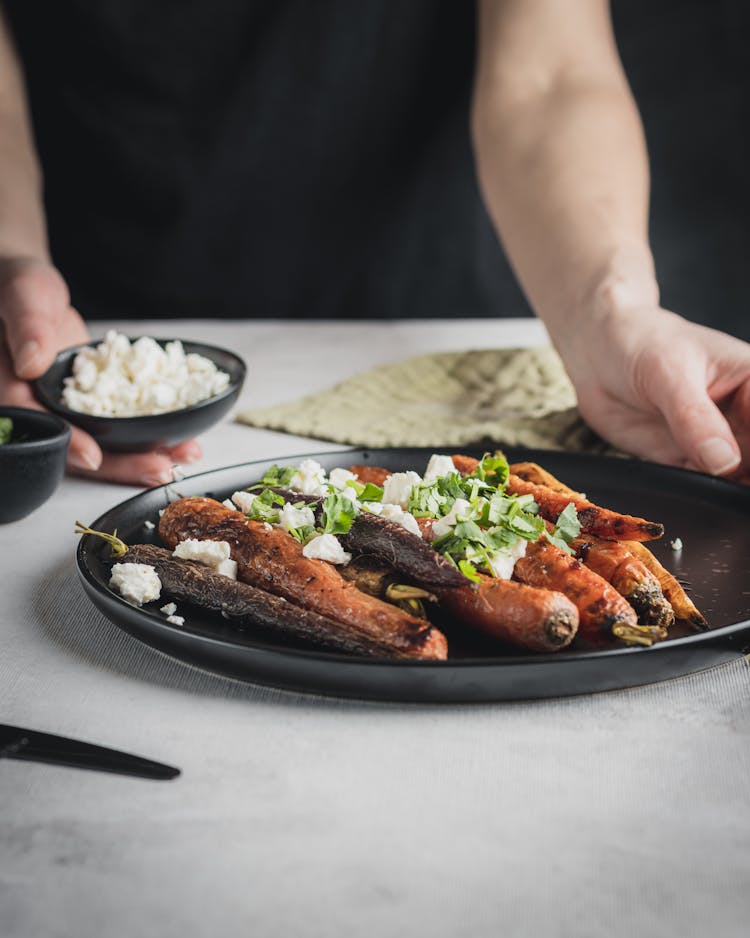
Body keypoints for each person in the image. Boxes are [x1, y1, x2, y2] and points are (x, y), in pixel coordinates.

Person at [1, 1, 748, 486]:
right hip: (94, 301)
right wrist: (10, 267)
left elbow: (552, 69)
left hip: (433, 315)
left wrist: (611, 312)